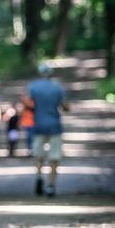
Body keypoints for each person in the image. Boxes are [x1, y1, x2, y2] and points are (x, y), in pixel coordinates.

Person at [28, 63, 69, 197]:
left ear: (40, 73)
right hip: (54, 126)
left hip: (39, 125)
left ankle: (39, 176)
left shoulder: (33, 87)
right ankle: (51, 185)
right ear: (51, 74)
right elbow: (65, 107)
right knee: (54, 157)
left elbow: (28, 104)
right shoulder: (58, 88)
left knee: (39, 155)